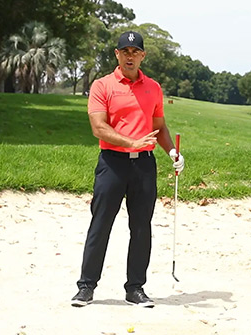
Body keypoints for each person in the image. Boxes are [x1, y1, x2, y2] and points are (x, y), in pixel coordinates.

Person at [71, 31, 184, 308]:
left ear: (143, 55)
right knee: (100, 225)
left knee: (141, 228)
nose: (130, 56)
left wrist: (171, 151)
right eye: (125, 51)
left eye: (135, 51)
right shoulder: (102, 86)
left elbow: (159, 126)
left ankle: (135, 289)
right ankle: (86, 287)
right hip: (113, 163)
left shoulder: (154, 88)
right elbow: (99, 127)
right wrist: (131, 141)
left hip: (144, 164)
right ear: (117, 54)